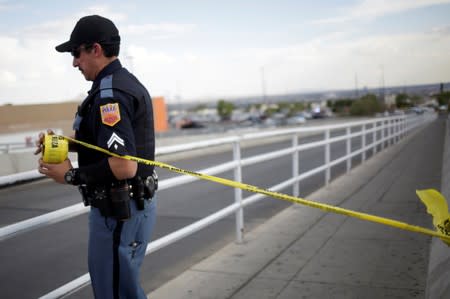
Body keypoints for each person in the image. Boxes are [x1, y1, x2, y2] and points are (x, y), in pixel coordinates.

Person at [35, 15, 157, 299]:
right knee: (124, 289)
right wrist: (61, 144)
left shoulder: (109, 94)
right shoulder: (125, 82)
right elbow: (110, 146)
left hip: (118, 211)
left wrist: (69, 175)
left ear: (95, 49)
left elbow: (124, 165)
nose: (74, 62)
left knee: (113, 293)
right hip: (133, 206)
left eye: (76, 53)